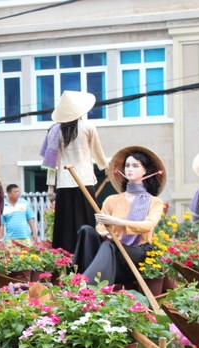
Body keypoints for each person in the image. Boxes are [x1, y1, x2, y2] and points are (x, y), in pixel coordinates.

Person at [73, 146, 165, 285]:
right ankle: (79, 276)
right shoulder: (112, 200)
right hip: (111, 250)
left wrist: (116, 221)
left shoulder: (155, 202)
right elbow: (101, 227)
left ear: (145, 170)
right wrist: (107, 235)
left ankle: (87, 285)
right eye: (127, 165)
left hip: (137, 252)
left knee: (109, 245)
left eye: (135, 166)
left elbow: (148, 225)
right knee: (87, 230)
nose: (129, 169)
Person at [40, 90, 108, 253]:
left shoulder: (54, 130)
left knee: (65, 226)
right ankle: (89, 254)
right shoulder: (88, 127)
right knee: (86, 222)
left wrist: (50, 187)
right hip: (84, 181)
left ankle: (64, 259)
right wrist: (105, 169)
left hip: (64, 183)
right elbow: (98, 153)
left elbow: (51, 164)